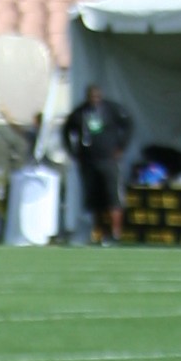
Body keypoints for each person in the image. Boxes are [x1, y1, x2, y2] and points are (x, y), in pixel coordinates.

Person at [61, 84, 132, 244]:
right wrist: (73, 152)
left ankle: (116, 232)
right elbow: (66, 131)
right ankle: (98, 231)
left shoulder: (111, 109)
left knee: (112, 196)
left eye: (97, 97)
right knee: (93, 198)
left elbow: (128, 124)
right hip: (88, 161)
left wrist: (120, 147)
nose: (94, 100)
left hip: (108, 160)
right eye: (92, 97)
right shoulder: (80, 113)